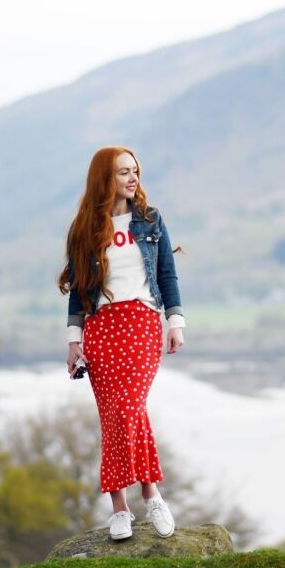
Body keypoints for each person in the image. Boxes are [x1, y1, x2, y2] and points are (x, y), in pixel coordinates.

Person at [58, 146, 186, 541]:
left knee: (129, 406)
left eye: (135, 171)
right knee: (114, 414)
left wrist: (175, 321)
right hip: (101, 329)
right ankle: (122, 507)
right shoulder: (84, 228)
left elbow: (167, 274)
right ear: (104, 179)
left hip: (142, 323)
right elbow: (79, 292)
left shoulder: (151, 220)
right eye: (123, 173)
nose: (132, 179)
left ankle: (149, 493)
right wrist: (74, 340)